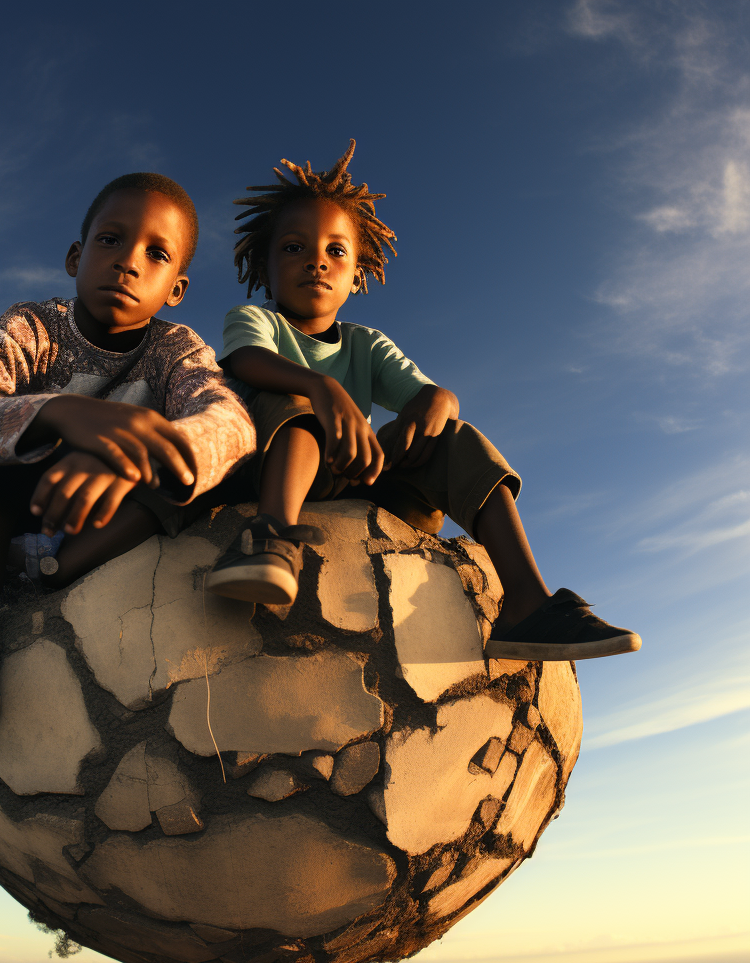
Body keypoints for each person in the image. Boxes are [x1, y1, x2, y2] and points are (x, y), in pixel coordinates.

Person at [205, 142, 640, 663]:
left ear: (357, 270)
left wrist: (433, 409)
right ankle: (268, 538)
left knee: (456, 438)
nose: (317, 261)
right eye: (294, 248)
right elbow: (245, 361)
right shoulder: (255, 321)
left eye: (335, 251)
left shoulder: (366, 342)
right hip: (271, 466)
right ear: (265, 264)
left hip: (354, 472)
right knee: (291, 400)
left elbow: (431, 394)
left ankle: (528, 602)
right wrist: (322, 388)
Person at [0, 173, 256, 711]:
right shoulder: (35, 328)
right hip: (32, 499)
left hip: (114, 517)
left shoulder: (176, 349)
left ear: (176, 288)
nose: (128, 261)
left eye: (156, 254)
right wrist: (59, 412)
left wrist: (139, 455)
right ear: (75, 257)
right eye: (111, 240)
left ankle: (55, 565)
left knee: (217, 464)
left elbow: (231, 421)